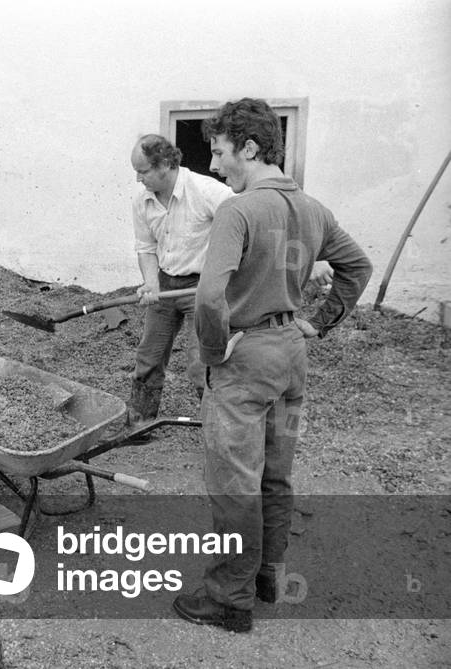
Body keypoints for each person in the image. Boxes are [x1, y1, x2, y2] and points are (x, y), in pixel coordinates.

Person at [173, 98, 372, 632]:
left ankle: (228, 599)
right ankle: (266, 576)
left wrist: (214, 353)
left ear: (251, 148)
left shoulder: (239, 210)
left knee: (234, 481)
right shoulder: (312, 209)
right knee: (275, 476)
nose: (214, 166)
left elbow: (209, 297)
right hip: (290, 357)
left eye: (219, 153)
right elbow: (357, 267)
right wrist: (317, 322)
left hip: (245, 361)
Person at [126, 134, 234, 424]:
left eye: (143, 171)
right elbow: (146, 247)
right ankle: (140, 423)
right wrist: (151, 283)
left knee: (201, 363)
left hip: (202, 287)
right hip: (164, 285)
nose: (138, 178)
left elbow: (248, 221)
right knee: (148, 357)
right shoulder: (142, 200)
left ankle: (218, 428)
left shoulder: (207, 191)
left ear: (164, 164)